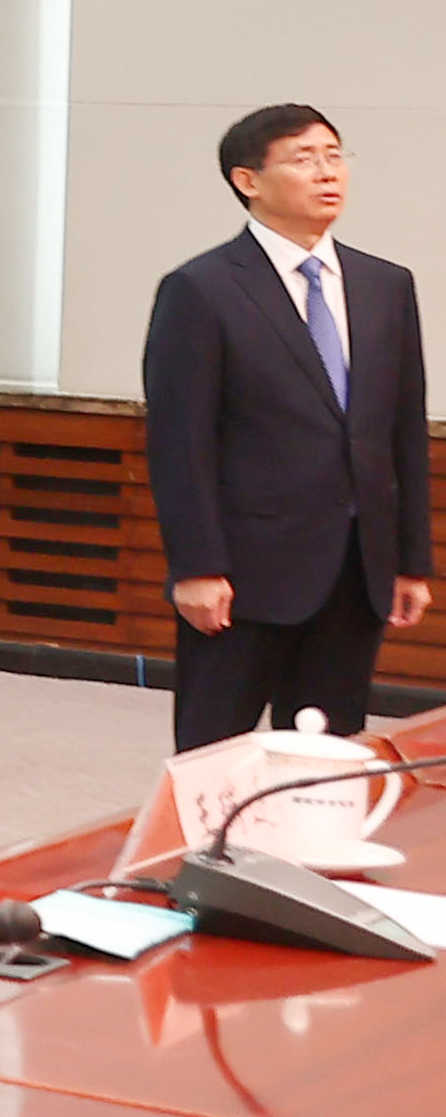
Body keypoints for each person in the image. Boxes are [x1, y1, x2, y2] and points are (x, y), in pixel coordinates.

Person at [140, 103, 431, 755]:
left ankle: (308, 864)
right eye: (304, 159)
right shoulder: (202, 288)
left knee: (326, 753)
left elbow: (403, 431)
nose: (327, 173)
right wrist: (196, 565)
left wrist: (410, 557)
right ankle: (199, 861)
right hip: (243, 571)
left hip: (357, 568)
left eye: (334, 155)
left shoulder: (385, 285)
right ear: (249, 180)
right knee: (216, 754)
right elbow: (180, 442)